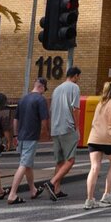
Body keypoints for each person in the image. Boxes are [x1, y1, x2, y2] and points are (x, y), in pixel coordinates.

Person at [84, 81, 111, 209]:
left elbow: (101, 122)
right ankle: (107, 194)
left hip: (93, 137)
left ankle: (89, 199)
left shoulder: (100, 103)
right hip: (107, 138)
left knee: (94, 167)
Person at [7, 77, 49, 204]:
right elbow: (44, 120)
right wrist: (45, 133)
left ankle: (33, 190)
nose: (43, 92)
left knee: (28, 164)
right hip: (31, 136)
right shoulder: (41, 99)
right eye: (44, 90)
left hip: (21, 136)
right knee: (24, 164)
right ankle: (12, 194)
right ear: (42, 87)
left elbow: (15, 119)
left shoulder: (23, 99)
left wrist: (15, 135)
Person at [44, 67, 81, 201]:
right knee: (70, 160)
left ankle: (56, 190)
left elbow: (51, 109)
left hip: (56, 128)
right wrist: (77, 127)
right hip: (67, 127)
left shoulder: (57, 89)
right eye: (78, 77)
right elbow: (75, 109)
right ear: (76, 76)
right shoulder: (74, 88)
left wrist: (50, 128)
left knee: (59, 161)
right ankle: (52, 182)